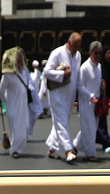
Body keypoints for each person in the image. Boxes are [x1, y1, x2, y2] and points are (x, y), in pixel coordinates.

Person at [43, 32, 82, 162]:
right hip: (57, 94)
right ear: (69, 42)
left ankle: (52, 148)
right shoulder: (57, 53)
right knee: (61, 121)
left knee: (60, 122)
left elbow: (77, 76)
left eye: (79, 46)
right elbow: (47, 72)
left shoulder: (78, 56)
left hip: (69, 95)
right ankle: (68, 151)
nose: (77, 48)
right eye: (75, 45)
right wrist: (62, 75)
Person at [0, 47, 35, 158]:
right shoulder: (7, 75)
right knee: (15, 128)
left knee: (25, 128)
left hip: (23, 106)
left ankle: (14, 144)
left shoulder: (23, 72)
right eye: (16, 56)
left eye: (20, 56)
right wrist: (6, 101)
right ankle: (14, 150)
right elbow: (0, 91)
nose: (19, 58)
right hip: (13, 106)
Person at [73, 41, 102, 161]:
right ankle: (90, 153)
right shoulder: (84, 67)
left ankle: (75, 145)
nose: (98, 56)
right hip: (86, 103)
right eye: (96, 53)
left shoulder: (99, 66)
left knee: (92, 128)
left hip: (96, 103)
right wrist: (90, 96)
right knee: (89, 128)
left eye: (100, 53)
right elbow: (79, 86)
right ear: (90, 53)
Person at [96, 45, 110, 153]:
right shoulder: (100, 67)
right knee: (100, 122)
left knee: (100, 121)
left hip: (103, 99)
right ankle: (106, 143)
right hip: (97, 98)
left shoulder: (108, 66)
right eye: (107, 53)